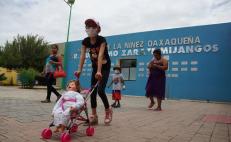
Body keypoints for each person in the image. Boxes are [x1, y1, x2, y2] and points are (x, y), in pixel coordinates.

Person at [75, 19, 112, 125]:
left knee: (100, 90)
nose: (90, 29)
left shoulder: (102, 40)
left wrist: (99, 71)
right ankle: (94, 116)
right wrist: (79, 70)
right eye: (88, 26)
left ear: (98, 29)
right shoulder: (85, 41)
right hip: (95, 68)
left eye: (93, 26)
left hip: (104, 67)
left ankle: (108, 111)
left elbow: (100, 55)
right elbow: (82, 56)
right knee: (92, 92)